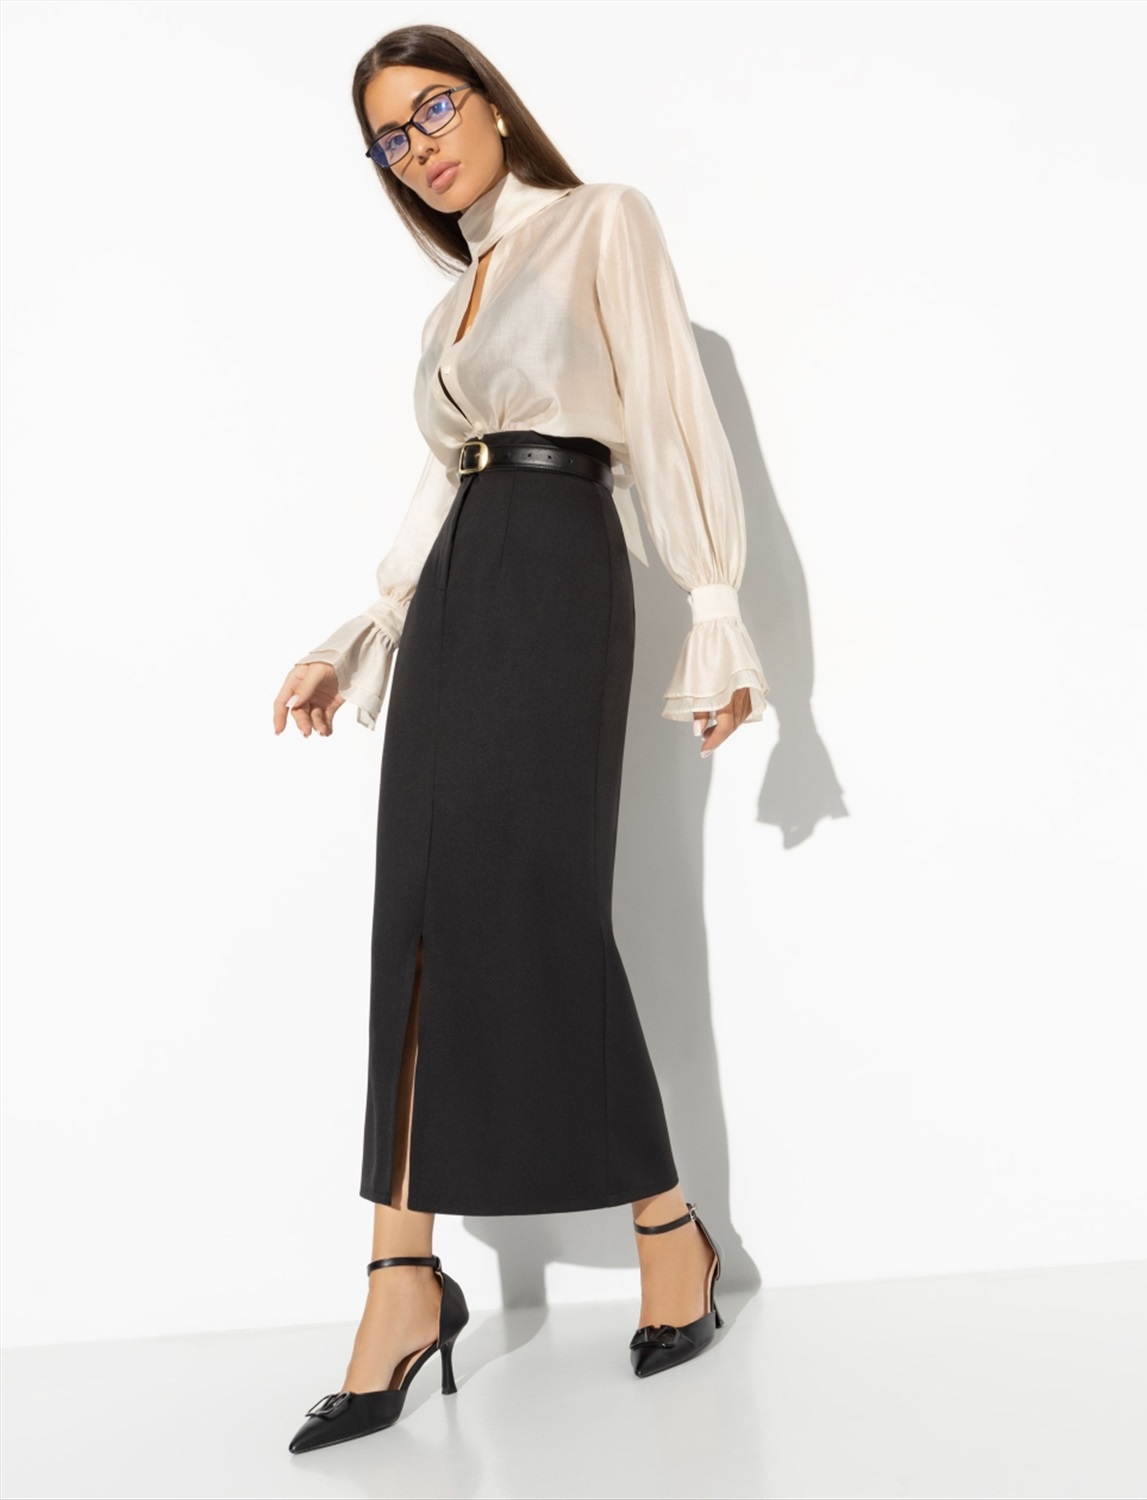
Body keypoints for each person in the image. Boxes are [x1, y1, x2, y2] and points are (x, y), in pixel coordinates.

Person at [271, 24, 769, 1453]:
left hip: (560, 566)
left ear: (490, 102)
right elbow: (442, 483)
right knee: (418, 914)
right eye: (388, 137)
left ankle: (668, 1229)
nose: (417, 146)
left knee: (538, 906)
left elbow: (666, 406)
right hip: (459, 585)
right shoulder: (452, 307)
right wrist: (360, 632)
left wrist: (715, 605)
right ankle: (400, 1275)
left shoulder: (601, 221)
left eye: (432, 108)